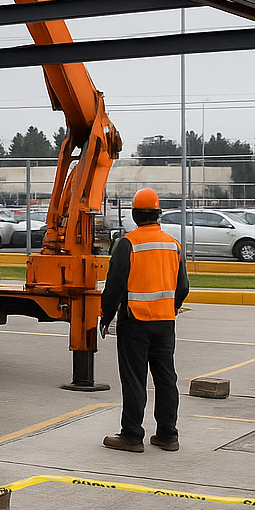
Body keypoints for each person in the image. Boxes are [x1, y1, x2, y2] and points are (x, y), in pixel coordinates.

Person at [100, 188, 188, 453]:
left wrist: (106, 316)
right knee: (166, 378)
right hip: (165, 322)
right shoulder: (173, 245)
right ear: (158, 214)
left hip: (135, 321)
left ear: (135, 215)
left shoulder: (128, 244)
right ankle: (168, 434)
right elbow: (183, 287)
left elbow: (114, 286)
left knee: (134, 379)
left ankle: (131, 435)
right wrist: (170, 308)